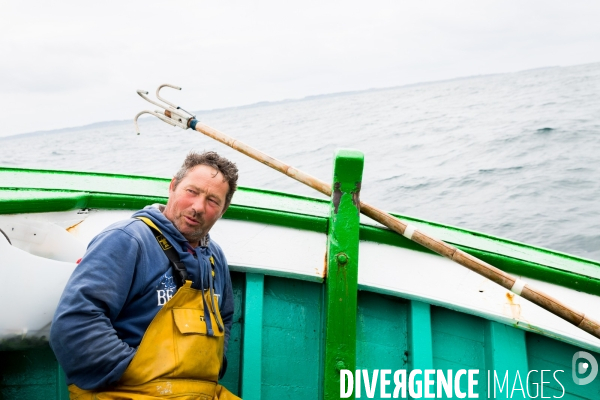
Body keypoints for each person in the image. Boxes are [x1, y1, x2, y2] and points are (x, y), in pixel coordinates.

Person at [50, 151, 241, 399]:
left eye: (213, 200)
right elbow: (74, 323)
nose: (198, 207)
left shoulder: (215, 256)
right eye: (191, 191)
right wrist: (136, 371)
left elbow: (223, 318)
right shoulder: (127, 239)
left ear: (223, 209)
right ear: (172, 186)